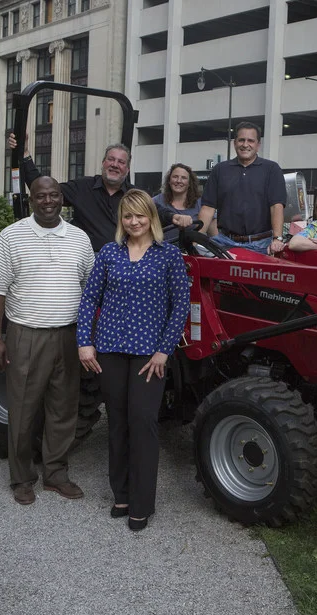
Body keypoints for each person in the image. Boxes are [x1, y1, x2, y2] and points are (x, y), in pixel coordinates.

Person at [77, 189, 189, 531]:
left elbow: (180, 306)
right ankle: (121, 494)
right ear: (121, 220)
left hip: (148, 355)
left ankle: (142, 502)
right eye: (128, 216)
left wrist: (164, 349)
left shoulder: (168, 255)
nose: (134, 221)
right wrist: (85, 343)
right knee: (118, 423)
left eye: (140, 215)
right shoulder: (109, 253)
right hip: (109, 350)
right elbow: (88, 298)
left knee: (143, 423)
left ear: (151, 218)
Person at [0, 176, 94, 505]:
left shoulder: (79, 238)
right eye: (41, 196)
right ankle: (21, 478)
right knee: (23, 410)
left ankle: (56, 474)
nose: (48, 201)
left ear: (63, 198)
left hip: (68, 335)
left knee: (63, 409)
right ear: (31, 200)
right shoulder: (11, 236)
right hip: (25, 334)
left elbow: (90, 287)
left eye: (54, 195)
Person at [8, 134, 192, 252]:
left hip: (126, 263)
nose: (114, 164)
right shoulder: (82, 187)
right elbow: (42, 189)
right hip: (89, 260)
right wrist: (24, 154)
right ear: (103, 163)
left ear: (127, 169)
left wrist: (174, 217)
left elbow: (156, 210)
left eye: (120, 162)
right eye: (111, 159)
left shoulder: (134, 194)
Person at [196, 121, 287, 255]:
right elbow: (208, 208)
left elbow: (276, 206)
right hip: (225, 242)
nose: (245, 144)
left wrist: (277, 239)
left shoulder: (271, 169)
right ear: (234, 143)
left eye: (250, 140)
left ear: (258, 145)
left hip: (262, 245)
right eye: (241, 140)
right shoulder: (220, 170)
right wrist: (196, 239)